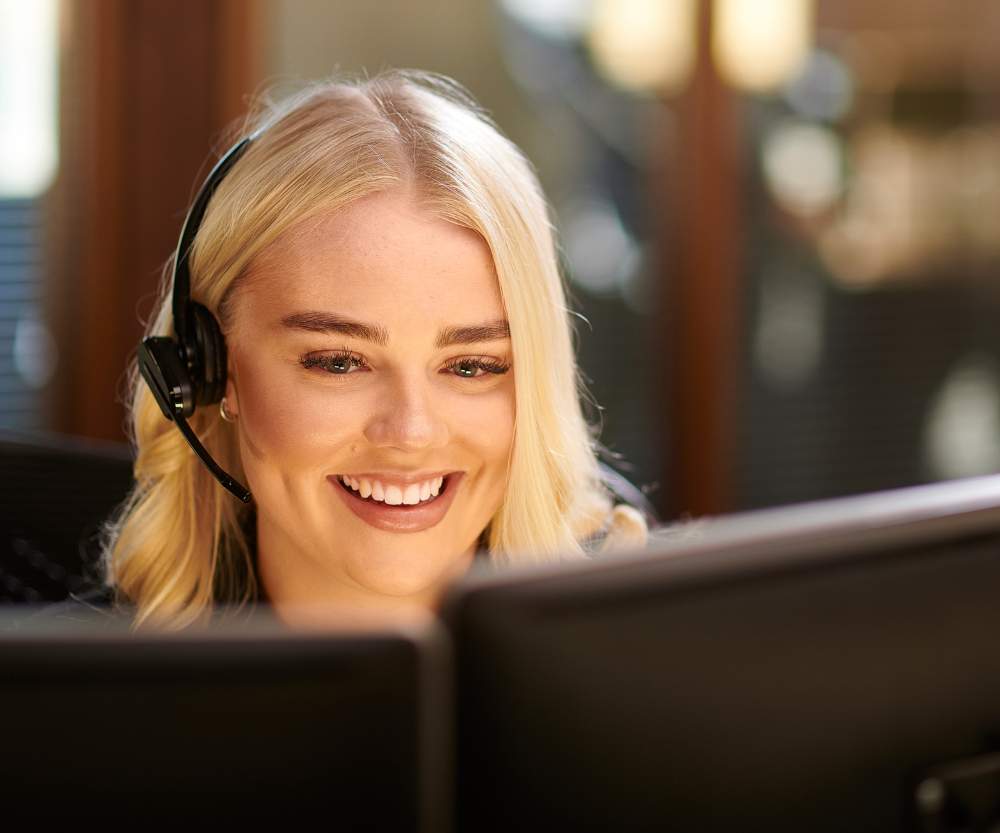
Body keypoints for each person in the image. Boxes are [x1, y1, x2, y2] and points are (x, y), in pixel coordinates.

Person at [102, 69, 648, 630]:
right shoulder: (70, 703)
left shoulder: (661, 677)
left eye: (471, 366)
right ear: (211, 368)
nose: (410, 433)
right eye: (338, 362)